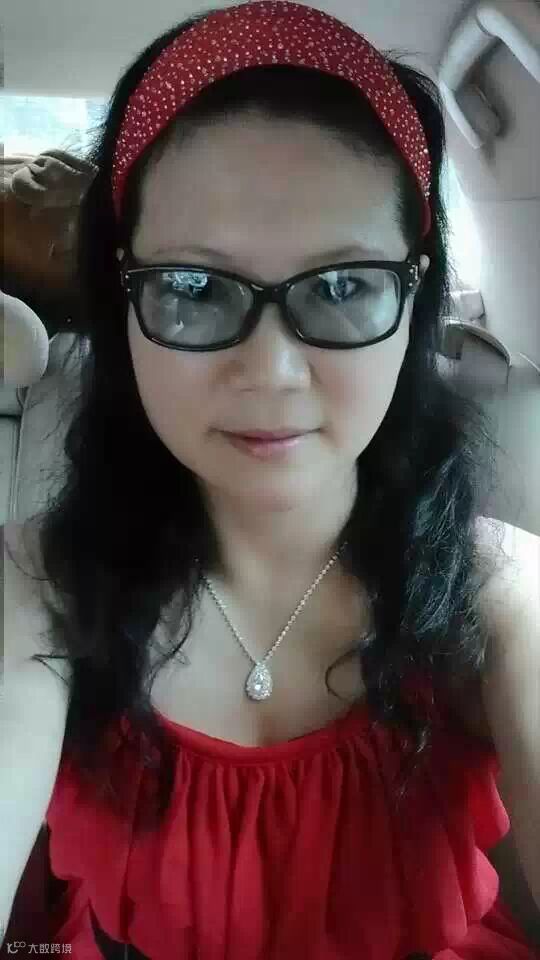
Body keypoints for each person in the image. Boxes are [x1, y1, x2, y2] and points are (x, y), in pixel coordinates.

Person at [2, 2, 539, 958]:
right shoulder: (34, 590)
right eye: (195, 288)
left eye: (341, 287)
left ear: (414, 295)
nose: (272, 371)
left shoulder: (501, 597)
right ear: (124, 294)